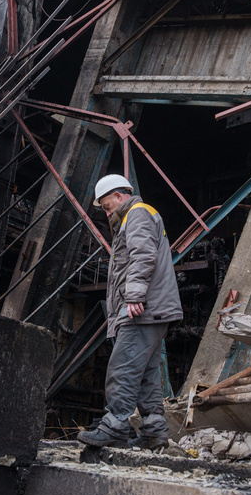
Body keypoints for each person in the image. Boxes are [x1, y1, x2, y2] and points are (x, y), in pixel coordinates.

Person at [77, 174, 182, 449]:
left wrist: (134, 295)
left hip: (142, 310)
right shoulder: (136, 216)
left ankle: (114, 427)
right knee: (146, 374)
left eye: (106, 204)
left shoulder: (137, 213)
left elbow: (143, 255)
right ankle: (154, 431)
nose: (105, 209)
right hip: (153, 311)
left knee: (122, 369)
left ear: (119, 195)